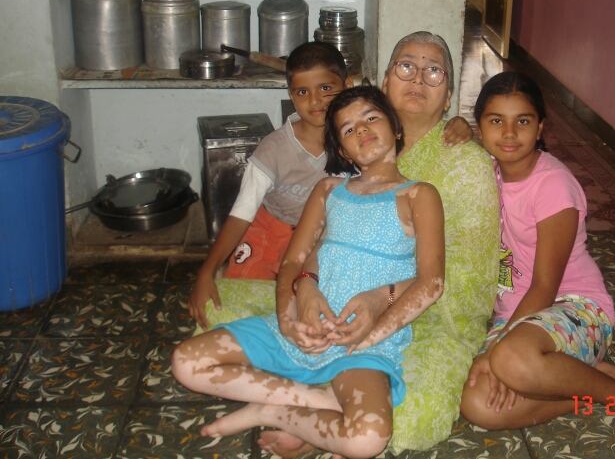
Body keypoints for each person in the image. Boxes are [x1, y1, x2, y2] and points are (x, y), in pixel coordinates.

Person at [199, 31, 500, 455]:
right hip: (331, 294)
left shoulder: (464, 159)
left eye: (434, 71)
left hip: (427, 316)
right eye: (405, 66)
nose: (417, 78)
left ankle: (304, 408)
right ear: (383, 82)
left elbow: (460, 280)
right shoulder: (355, 144)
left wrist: (386, 303)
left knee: (411, 419)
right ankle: (318, 406)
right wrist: (304, 287)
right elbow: (320, 244)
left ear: (449, 93)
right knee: (219, 311)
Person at [172, 86, 445, 459]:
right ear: (342, 151)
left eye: (370, 118)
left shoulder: (418, 195)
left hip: (365, 345)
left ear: (395, 127)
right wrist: (292, 312)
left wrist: (366, 337)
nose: (361, 130)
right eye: (348, 130)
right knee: (186, 363)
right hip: (305, 327)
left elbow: (432, 282)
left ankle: (275, 411)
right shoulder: (329, 189)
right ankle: (314, 401)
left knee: (366, 440)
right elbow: (292, 262)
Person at [459, 72, 615, 459]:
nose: (509, 133)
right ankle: (600, 383)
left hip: (577, 310)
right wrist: (456, 127)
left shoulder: (553, 187)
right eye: (496, 121)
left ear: (541, 127)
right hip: (521, 320)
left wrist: (495, 354)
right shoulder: (487, 171)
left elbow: (544, 288)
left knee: (509, 362)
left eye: (522, 121)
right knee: (476, 404)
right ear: (481, 128)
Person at [188, 42, 351, 329]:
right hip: (270, 231)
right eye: (303, 92)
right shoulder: (272, 149)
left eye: (326, 88)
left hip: (324, 238)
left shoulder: (356, 140)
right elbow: (241, 214)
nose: (316, 101)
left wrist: (459, 125)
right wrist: (206, 271)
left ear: (347, 86)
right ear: (291, 95)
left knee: (320, 307)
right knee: (235, 301)